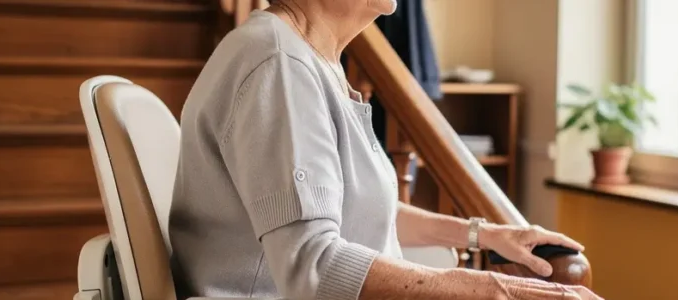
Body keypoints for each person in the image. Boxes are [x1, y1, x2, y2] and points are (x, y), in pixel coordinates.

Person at [169, 0, 603, 299]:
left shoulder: (310, 60)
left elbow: (347, 210)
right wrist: (493, 289)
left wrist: (485, 234)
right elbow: (312, 265)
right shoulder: (277, 64)